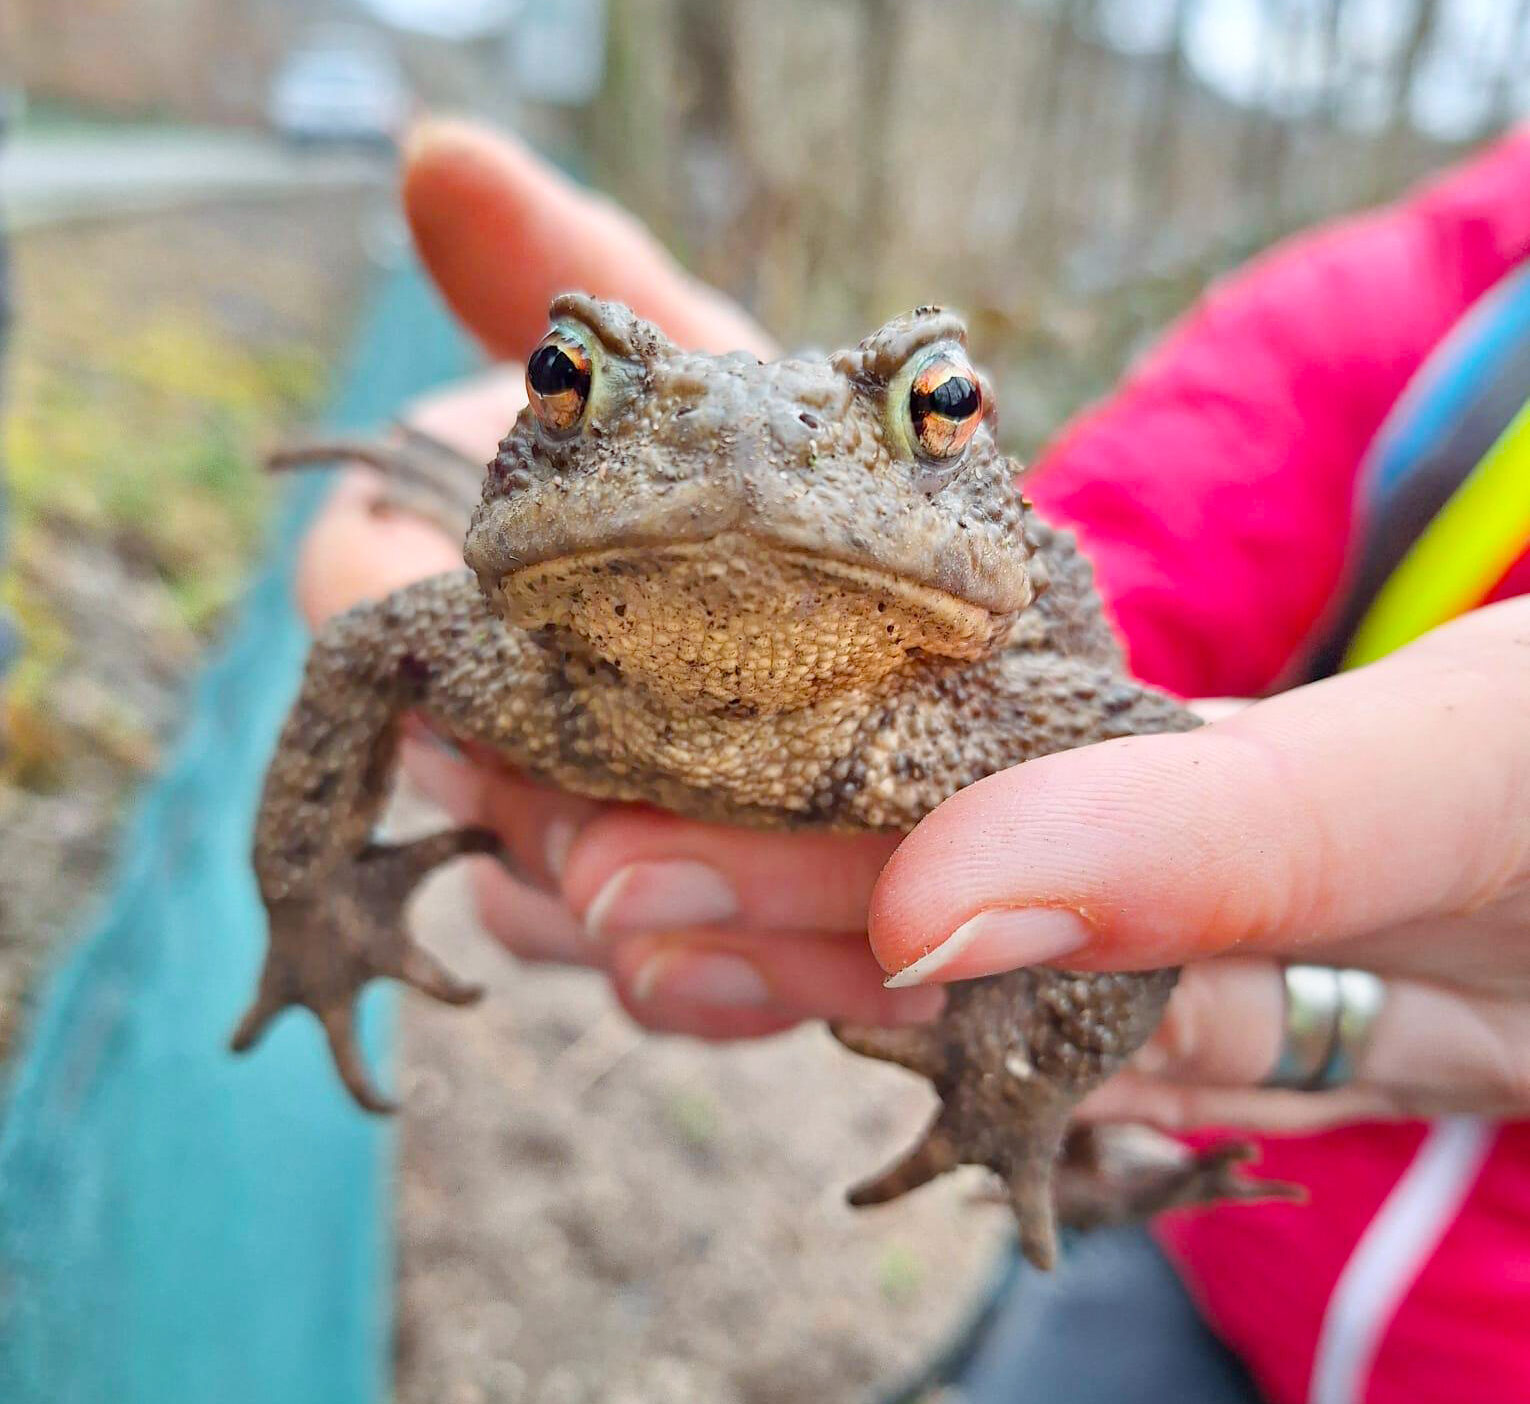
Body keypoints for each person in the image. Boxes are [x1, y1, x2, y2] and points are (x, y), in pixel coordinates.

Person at [297, 119, 1530, 1403]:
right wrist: (317, 903)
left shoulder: (995, 722)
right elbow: (362, 649)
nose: (746, 475)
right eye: (565, 384)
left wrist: (1027, 1088)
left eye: (935, 409)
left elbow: (1136, 744)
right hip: (1190, 1274)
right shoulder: (1452, 297)